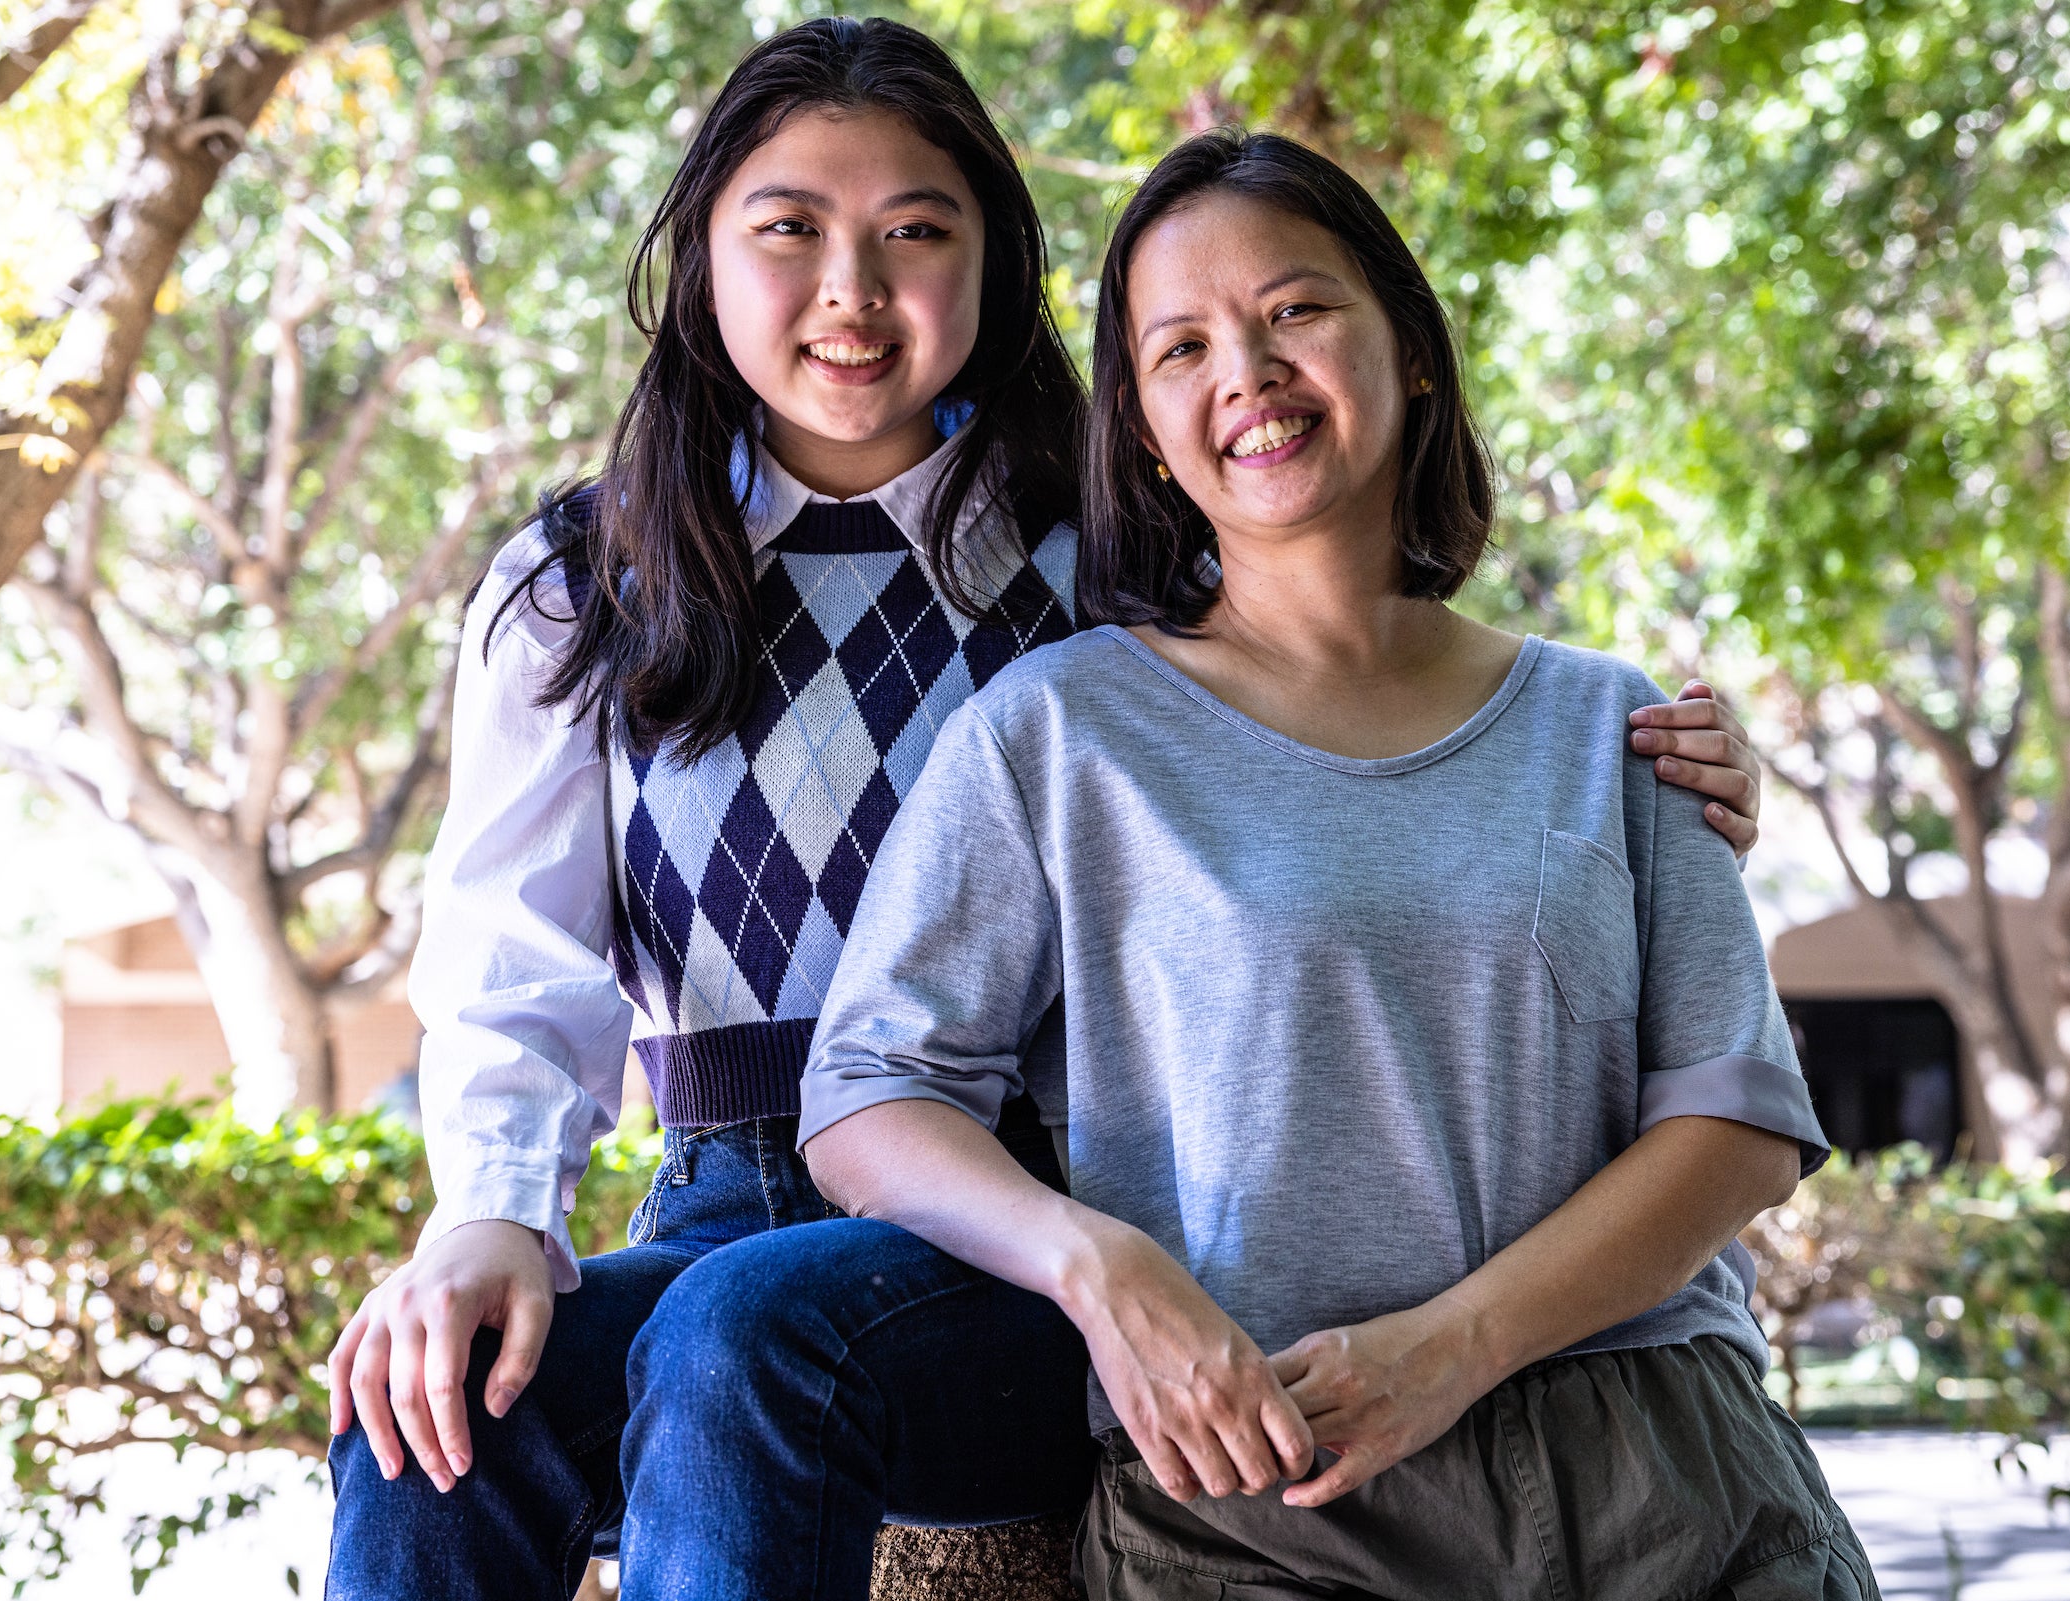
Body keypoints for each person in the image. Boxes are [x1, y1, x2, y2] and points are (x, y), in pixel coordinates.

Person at [325, 20, 1770, 1597]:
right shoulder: (584, 580)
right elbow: (512, 955)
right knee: (441, 1403)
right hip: (719, 1190)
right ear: (702, 261)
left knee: (753, 1343)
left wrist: (1672, 759)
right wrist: (488, 1215)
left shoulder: (1108, 559)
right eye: (789, 229)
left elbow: (1367, 672)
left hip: (1022, 1206)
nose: (852, 294)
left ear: (999, 264)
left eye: (916, 234)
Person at [791, 129, 1879, 1599]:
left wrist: (1450, 1348)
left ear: (1410, 352)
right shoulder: (1057, 733)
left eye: (1296, 309)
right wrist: (1092, 1261)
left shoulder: (1609, 719)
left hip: (1662, 1472)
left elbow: (1735, 1123)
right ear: (1149, 432)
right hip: (1261, 1493)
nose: (1246, 370)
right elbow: (870, 1092)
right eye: (1181, 346)